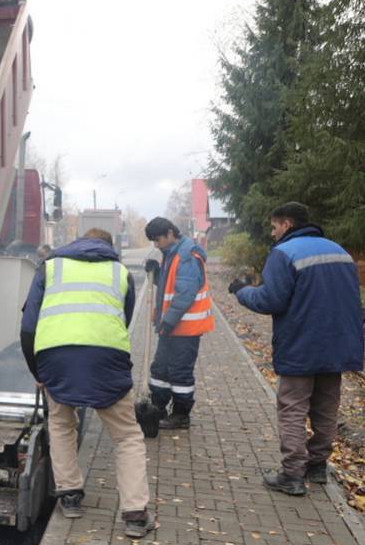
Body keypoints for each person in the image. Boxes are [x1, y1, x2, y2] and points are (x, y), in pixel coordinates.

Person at [20, 227, 156, 538]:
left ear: (78, 242)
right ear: (108, 248)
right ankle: (135, 514)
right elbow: (122, 320)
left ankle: (69, 495)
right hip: (106, 359)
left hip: (56, 358)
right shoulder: (121, 273)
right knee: (126, 436)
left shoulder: (50, 267)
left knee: (61, 422)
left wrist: (37, 372)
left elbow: (28, 327)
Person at [230, 202, 363, 495]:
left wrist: (242, 291)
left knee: (292, 408)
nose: (273, 233)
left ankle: (292, 475)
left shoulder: (284, 253)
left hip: (302, 345)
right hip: (339, 345)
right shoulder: (339, 251)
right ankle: (317, 467)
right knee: (327, 407)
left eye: (275, 227)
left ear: (287, 224)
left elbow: (269, 300)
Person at [142, 217, 214, 429]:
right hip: (171, 327)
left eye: (158, 240)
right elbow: (171, 286)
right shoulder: (172, 254)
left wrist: (169, 320)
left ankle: (181, 415)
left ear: (170, 233)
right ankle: (158, 407)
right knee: (160, 370)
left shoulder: (186, 256)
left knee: (179, 372)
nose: (156, 245)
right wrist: (156, 274)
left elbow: (185, 293)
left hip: (185, 328)